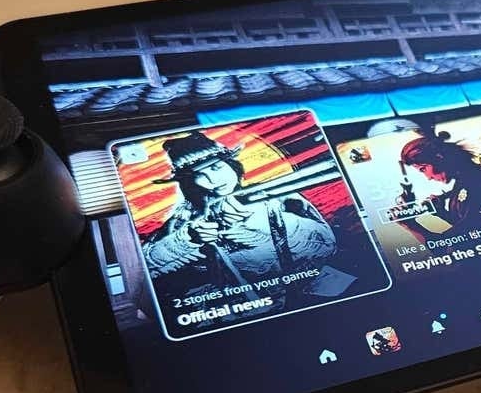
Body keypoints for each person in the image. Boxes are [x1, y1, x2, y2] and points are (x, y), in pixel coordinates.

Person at [142, 132, 337, 309]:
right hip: (231, 308)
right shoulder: (183, 220)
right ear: (187, 183)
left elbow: (327, 244)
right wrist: (188, 240)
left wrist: (263, 223)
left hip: (304, 294)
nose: (213, 179)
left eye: (217, 167)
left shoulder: (276, 199)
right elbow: (145, 271)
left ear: (231, 165)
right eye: (198, 175)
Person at [395, 125, 481, 235]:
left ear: (439, 157)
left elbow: (448, 245)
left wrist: (410, 225)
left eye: (423, 169)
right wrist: (442, 213)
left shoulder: (475, 185)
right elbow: (473, 225)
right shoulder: (469, 181)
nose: (428, 177)